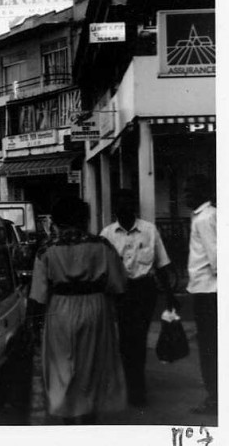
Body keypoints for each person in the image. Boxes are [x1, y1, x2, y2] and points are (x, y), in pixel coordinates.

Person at [30, 197, 127, 424]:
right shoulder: (102, 245)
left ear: (57, 220)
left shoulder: (47, 249)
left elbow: (37, 294)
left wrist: (33, 326)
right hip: (95, 307)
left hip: (60, 310)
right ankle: (89, 418)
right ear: (84, 218)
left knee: (63, 366)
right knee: (92, 366)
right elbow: (119, 285)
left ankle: (68, 417)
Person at [100, 189, 177, 407]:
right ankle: (130, 385)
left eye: (129, 203)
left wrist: (170, 297)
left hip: (145, 290)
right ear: (115, 208)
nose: (125, 208)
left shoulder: (149, 230)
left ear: (134, 207)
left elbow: (161, 264)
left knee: (139, 338)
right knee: (126, 339)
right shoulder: (106, 235)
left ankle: (137, 388)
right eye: (120, 204)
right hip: (121, 292)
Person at [185, 175, 217, 415]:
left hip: (209, 291)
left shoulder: (205, 218)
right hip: (205, 290)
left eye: (189, 190)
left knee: (209, 347)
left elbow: (216, 257)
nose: (185, 194)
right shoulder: (204, 216)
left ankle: (214, 398)